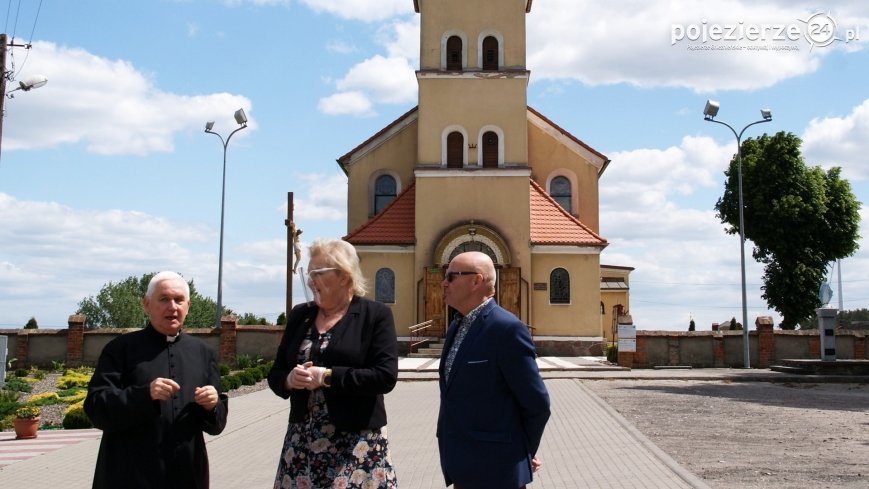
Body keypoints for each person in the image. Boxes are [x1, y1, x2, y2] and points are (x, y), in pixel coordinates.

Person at [268, 238, 399, 489]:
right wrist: (289, 380)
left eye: (316, 273)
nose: (310, 281)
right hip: (302, 443)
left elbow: (384, 376)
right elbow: (275, 373)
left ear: (344, 276)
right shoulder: (300, 315)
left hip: (356, 444)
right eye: (309, 273)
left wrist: (326, 377)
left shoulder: (375, 315)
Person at [84, 271, 228, 489]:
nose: (173, 307)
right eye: (164, 299)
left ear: (188, 306)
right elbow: (96, 408)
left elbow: (217, 425)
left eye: (179, 300)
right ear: (146, 304)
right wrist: (144, 395)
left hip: (186, 475)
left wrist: (212, 405)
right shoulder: (120, 349)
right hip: (129, 475)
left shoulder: (203, 353)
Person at [437, 251, 551, 489]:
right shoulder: (456, 326)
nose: (443, 282)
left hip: (498, 471)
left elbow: (537, 404)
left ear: (476, 281)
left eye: (451, 276)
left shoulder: (507, 330)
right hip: (461, 466)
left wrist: (523, 452)